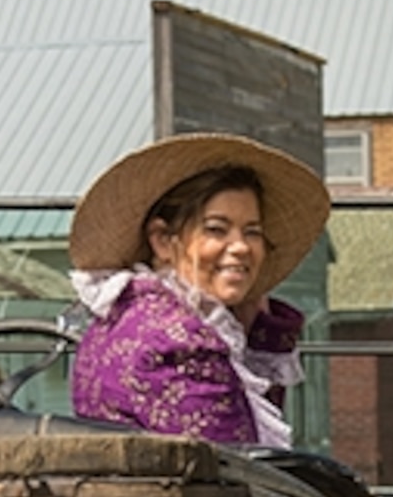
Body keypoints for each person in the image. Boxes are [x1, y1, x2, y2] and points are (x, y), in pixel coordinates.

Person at [67, 134, 330, 446]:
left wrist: (256, 325)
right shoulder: (180, 344)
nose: (241, 247)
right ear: (164, 240)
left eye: (252, 232)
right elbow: (241, 467)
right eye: (216, 229)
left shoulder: (128, 313)